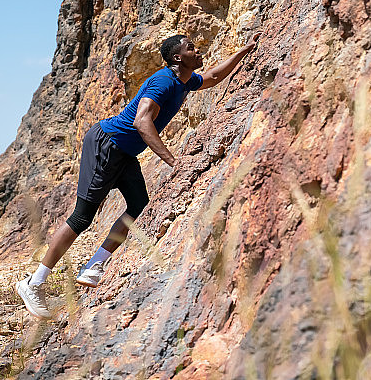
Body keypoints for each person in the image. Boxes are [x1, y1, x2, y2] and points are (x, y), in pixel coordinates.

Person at [16, 32, 260, 319]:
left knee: (138, 206)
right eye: (191, 47)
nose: (198, 50)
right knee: (82, 217)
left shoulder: (184, 81)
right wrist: (173, 161)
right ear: (177, 58)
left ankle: (94, 265)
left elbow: (213, 78)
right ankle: (34, 283)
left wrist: (245, 49)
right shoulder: (164, 81)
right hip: (106, 144)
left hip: (125, 153)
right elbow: (141, 121)